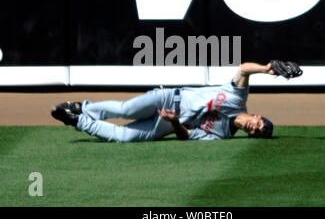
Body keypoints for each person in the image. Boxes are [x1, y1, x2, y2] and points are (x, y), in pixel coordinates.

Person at [51, 62, 286, 142]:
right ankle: (85, 108)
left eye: (256, 132)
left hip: (168, 123)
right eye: (259, 125)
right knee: (127, 109)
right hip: (169, 97)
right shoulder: (237, 98)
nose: (254, 128)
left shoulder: (223, 134)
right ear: (257, 116)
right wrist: (267, 69)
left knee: (125, 137)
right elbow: (244, 69)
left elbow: (185, 135)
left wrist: (173, 122)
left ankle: (77, 119)